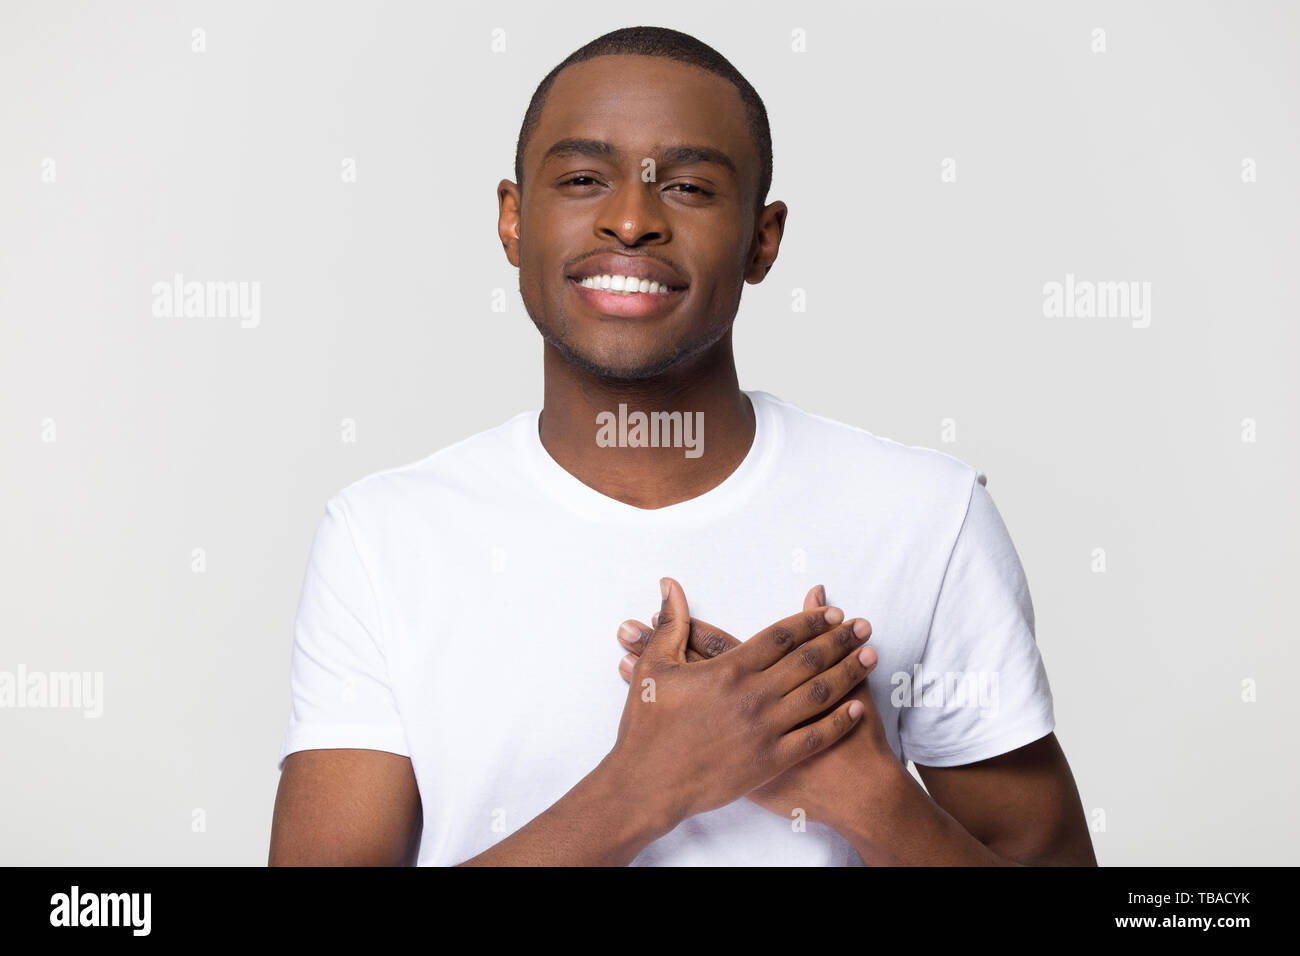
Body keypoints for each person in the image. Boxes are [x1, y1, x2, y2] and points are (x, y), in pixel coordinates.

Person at [268, 25, 1096, 866]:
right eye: (585, 179)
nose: (632, 220)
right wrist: (644, 787)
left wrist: (868, 795)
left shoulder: (927, 516)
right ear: (513, 221)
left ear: (761, 240)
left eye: (692, 187)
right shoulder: (384, 537)